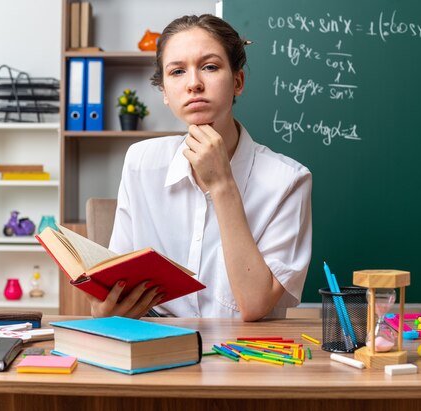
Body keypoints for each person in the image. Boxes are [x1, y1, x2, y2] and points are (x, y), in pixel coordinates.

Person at [87, 14, 312, 321]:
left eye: (209, 66)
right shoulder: (141, 162)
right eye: (177, 71)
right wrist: (104, 305)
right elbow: (117, 283)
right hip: (156, 347)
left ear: (237, 82)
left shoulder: (288, 180)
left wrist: (222, 184)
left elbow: (255, 305)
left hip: (244, 356)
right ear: (165, 92)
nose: (193, 83)